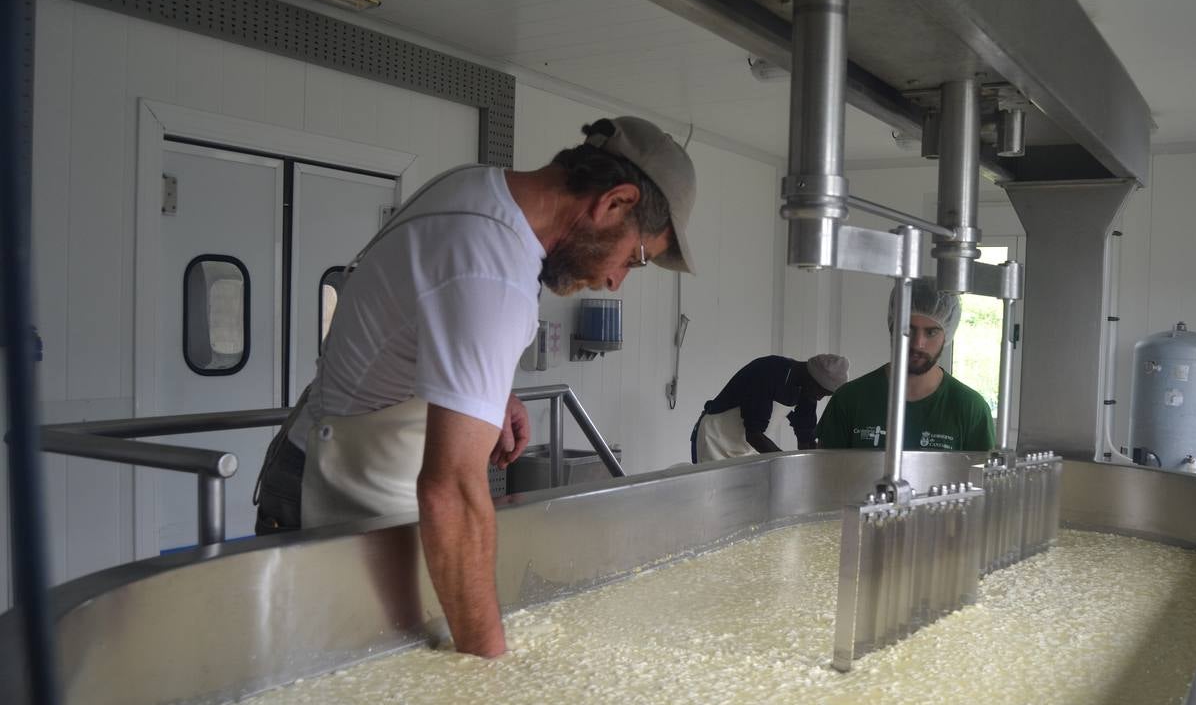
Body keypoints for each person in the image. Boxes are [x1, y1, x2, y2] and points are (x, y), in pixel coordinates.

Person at [253, 116, 696, 658]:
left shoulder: (472, 189)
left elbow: (422, 315)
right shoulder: (494, 268)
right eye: (634, 258)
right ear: (615, 202)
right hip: (329, 498)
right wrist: (489, 677)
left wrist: (490, 391)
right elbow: (454, 494)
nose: (615, 280)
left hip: (344, 476)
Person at [817, 277, 994, 452]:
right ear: (891, 327)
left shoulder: (970, 409)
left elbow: (983, 479)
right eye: (908, 329)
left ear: (947, 335)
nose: (918, 344)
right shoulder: (849, 400)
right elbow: (824, 476)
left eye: (931, 332)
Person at [691, 354, 849, 462]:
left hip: (745, 448)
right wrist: (787, 465)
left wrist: (812, 464)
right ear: (812, 379)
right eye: (821, 392)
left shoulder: (807, 389)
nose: (820, 397)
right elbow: (753, 434)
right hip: (716, 439)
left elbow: (805, 437)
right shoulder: (768, 372)